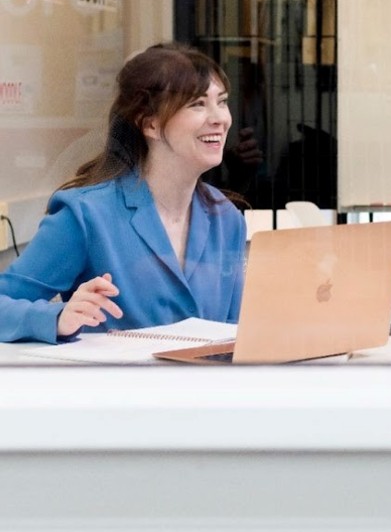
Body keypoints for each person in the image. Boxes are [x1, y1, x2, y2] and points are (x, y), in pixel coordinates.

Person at [0, 44, 247, 344]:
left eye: (221, 102)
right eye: (197, 103)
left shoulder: (226, 218)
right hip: (114, 388)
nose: (220, 118)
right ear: (150, 123)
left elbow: (236, 333)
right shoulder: (87, 215)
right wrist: (58, 317)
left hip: (208, 389)